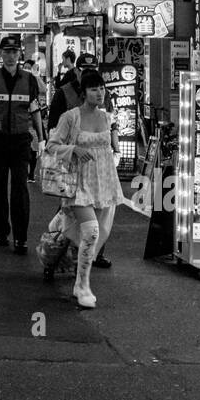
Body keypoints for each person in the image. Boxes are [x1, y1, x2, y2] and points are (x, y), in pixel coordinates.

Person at [46, 68, 122, 307]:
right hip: (78, 183)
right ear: (83, 92)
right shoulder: (71, 117)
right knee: (91, 233)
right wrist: (73, 150)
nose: (99, 93)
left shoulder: (106, 117)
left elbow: (111, 146)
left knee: (94, 234)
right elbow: (51, 145)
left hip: (104, 181)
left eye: (101, 88)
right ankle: (82, 285)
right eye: (93, 89)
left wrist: (116, 152)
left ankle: (61, 226)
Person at [0, 34, 45, 254]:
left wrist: (41, 139)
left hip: (20, 141)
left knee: (20, 189)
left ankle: (21, 237)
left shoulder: (29, 79)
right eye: (6, 52)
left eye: (14, 52)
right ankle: (1, 231)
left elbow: (35, 111)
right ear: (1, 53)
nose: (10, 56)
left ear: (19, 54)